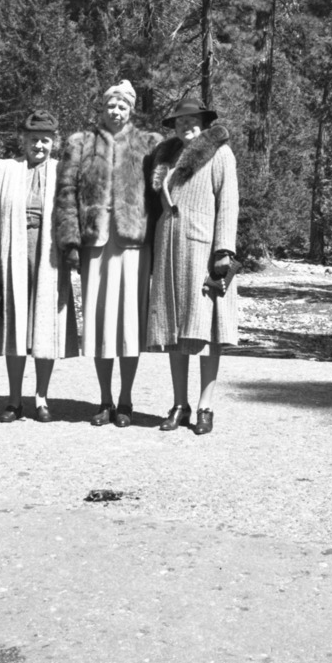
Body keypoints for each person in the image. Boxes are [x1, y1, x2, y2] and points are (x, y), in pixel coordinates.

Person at [54, 79, 159, 427]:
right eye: (111, 105)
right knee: (99, 326)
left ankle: (126, 399)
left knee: (129, 324)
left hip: (133, 246)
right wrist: (69, 242)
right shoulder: (81, 144)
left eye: (123, 106)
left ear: (131, 110)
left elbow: (161, 196)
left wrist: (158, 245)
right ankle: (104, 399)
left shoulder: (148, 144)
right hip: (94, 245)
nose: (116, 111)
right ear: (103, 108)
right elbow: (66, 192)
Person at [145, 96, 240, 436]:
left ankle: (205, 405)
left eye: (193, 120)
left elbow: (228, 202)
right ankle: (179, 403)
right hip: (168, 249)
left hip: (203, 251)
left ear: (204, 121)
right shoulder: (165, 157)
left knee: (205, 331)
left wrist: (223, 251)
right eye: (180, 122)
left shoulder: (219, 153)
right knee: (174, 330)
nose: (187, 125)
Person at [0, 108, 78, 422]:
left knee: (45, 327)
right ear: (24, 140)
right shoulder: (4, 168)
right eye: (34, 139)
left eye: (45, 140)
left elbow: (73, 215)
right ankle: (14, 399)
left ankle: (42, 398)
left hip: (50, 256)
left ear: (54, 142)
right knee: (16, 327)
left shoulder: (64, 171)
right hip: (13, 251)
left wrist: (73, 251)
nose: (39, 146)